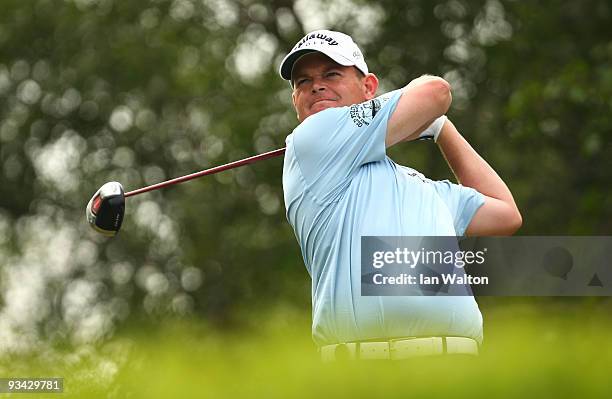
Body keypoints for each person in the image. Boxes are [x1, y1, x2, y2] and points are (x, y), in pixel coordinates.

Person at [279, 30, 522, 360]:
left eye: (331, 74)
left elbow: (506, 214)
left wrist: (441, 129)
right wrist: (426, 115)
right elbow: (436, 91)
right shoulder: (311, 139)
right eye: (303, 82)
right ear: (295, 101)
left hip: (454, 366)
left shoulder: (420, 185)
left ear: (368, 88)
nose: (316, 86)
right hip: (363, 370)